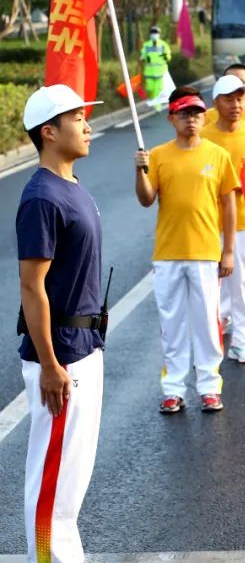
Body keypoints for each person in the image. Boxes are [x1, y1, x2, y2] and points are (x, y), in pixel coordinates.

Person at [17, 85, 105, 563]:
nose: (87, 125)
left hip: (84, 348)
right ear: (49, 132)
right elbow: (32, 287)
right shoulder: (41, 197)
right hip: (62, 358)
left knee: (70, 486)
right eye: (77, 117)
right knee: (52, 486)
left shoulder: (70, 185)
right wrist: (51, 364)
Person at [135, 87, 239, 413]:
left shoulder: (217, 155)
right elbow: (146, 198)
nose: (190, 120)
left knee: (208, 325)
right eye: (183, 114)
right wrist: (140, 169)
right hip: (167, 253)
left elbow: (229, 204)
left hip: (206, 252)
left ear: (203, 116)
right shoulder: (158, 155)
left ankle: (209, 387)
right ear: (171, 118)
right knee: (173, 325)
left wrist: (229, 251)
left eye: (195, 113)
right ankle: (173, 388)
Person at [202, 74, 245, 363]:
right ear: (216, 103)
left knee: (242, 286)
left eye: (240, 98)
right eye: (229, 99)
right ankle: (211, 344)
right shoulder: (203, 135)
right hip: (207, 221)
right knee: (209, 292)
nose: (236, 104)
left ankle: (242, 340)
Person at [139, 25, 172, 99]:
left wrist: (165, 56)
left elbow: (168, 56)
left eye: (156, 32)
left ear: (159, 34)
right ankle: (153, 101)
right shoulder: (146, 45)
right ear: (150, 34)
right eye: (153, 32)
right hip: (149, 72)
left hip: (160, 73)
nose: (154, 34)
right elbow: (142, 55)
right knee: (149, 89)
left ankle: (157, 106)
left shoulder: (163, 45)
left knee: (158, 90)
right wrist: (145, 58)